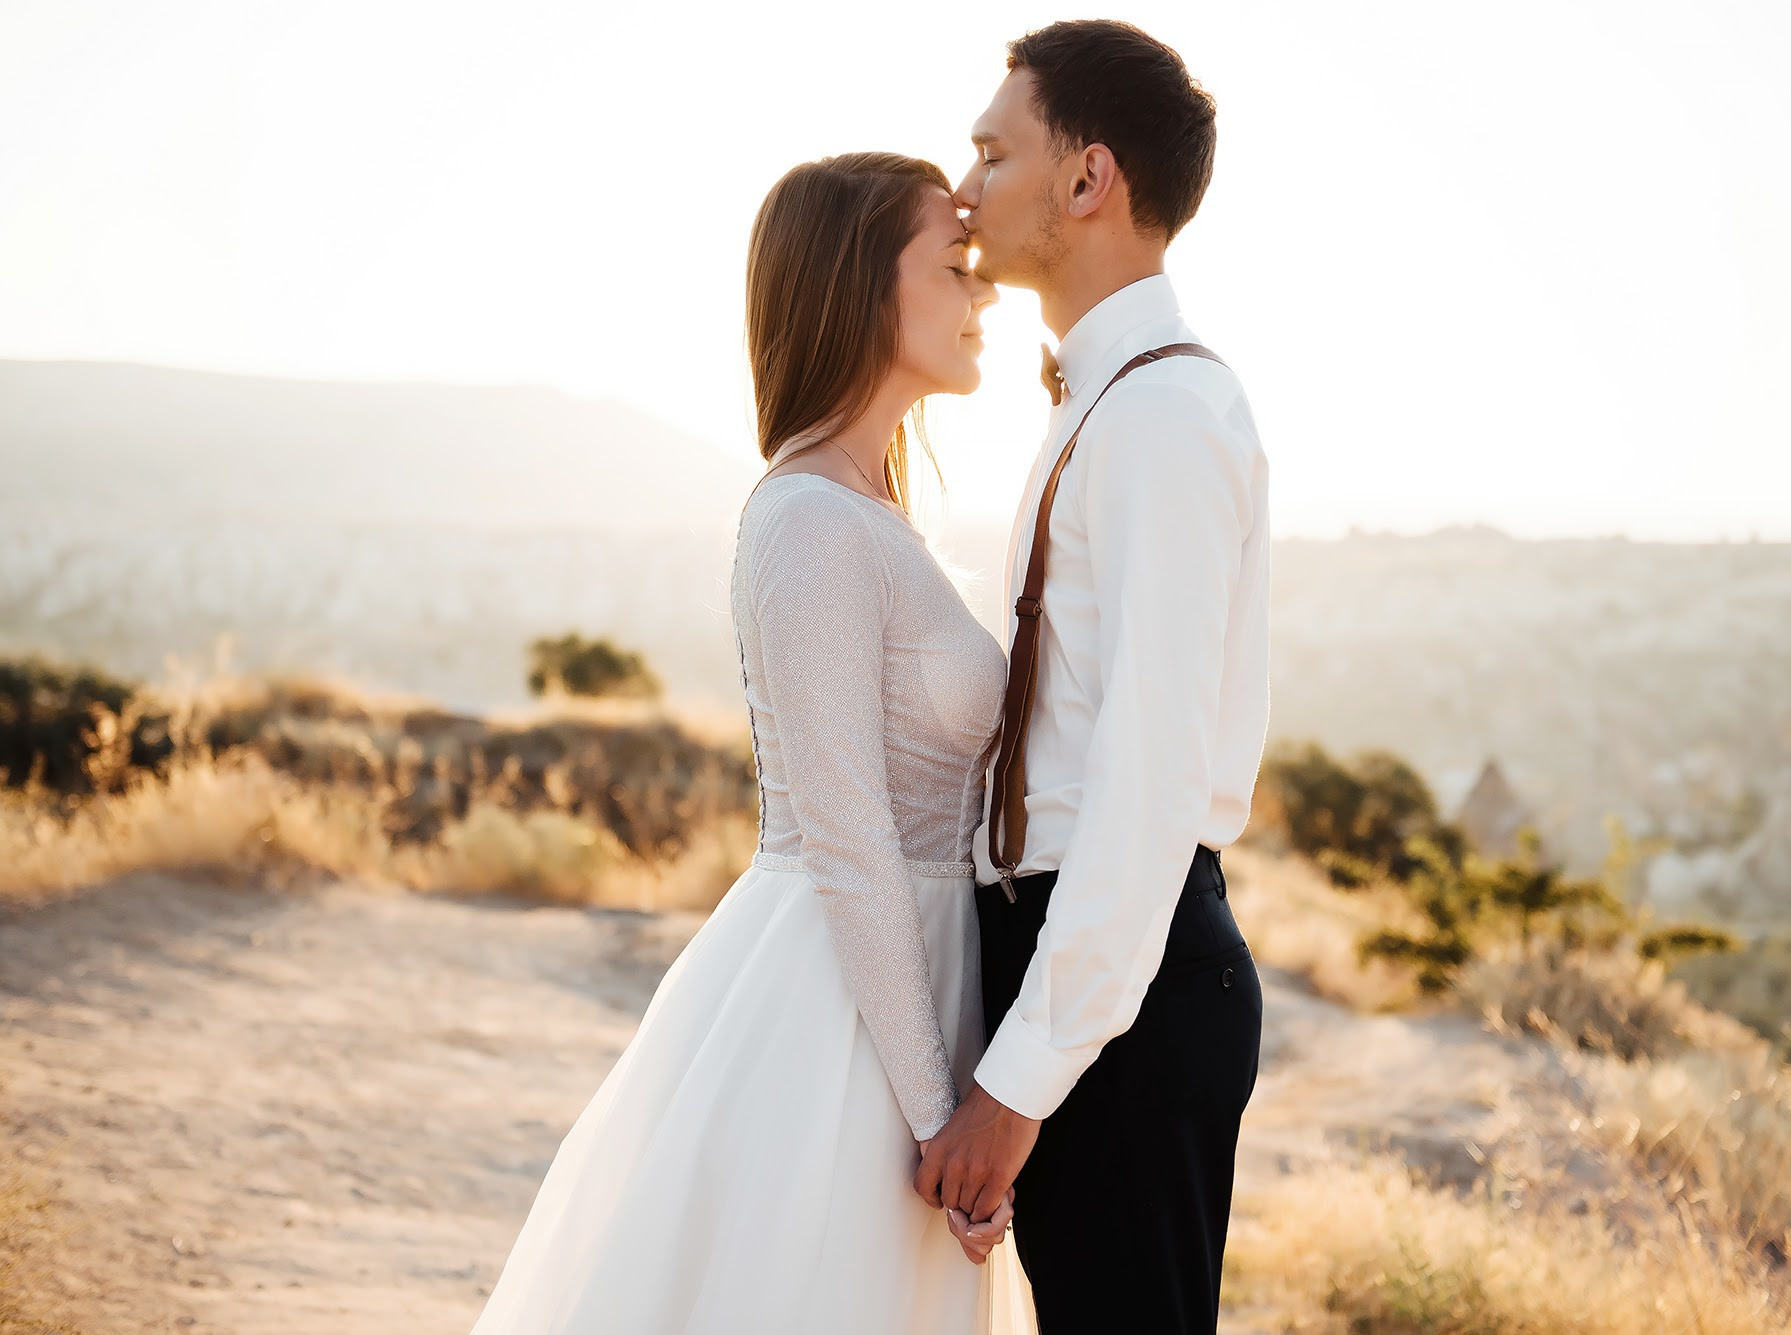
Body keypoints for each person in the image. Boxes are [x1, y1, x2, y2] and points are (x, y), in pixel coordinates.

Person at [469, 151, 1037, 1335]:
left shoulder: (876, 517)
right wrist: (938, 1118)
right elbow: (844, 833)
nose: (981, 296)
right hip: (836, 1009)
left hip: (920, 985)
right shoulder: (807, 524)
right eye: (953, 267)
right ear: (861, 289)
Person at [915, 21, 1272, 1335]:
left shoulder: (1167, 419)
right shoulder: (1106, 402)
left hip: (1126, 975)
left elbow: (1144, 788)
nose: (964, 188)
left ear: (1087, 180)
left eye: (992, 151)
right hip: (1079, 959)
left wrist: (1018, 1081)